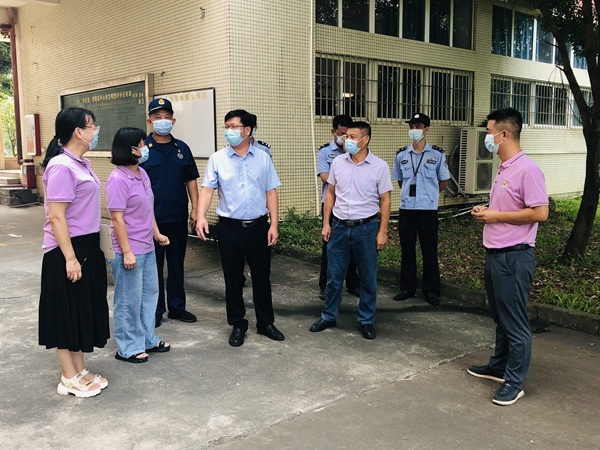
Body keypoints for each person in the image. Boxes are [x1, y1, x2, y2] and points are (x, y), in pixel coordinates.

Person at [468, 107, 548, 406]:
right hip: (496, 254)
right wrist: (487, 211)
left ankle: (514, 382)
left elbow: (540, 212)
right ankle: (498, 366)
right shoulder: (504, 168)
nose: (486, 138)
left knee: (514, 322)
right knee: (500, 317)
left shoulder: (528, 170)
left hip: (514, 258)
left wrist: (496, 216)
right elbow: (508, 208)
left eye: (489, 132)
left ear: (503, 134)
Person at [196, 109, 285, 347]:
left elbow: (271, 192)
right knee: (233, 278)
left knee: (262, 277)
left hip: (258, 227)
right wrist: (200, 216)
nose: (229, 131)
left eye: (234, 126)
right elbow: (207, 189)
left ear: (247, 130)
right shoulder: (217, 159)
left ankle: (265, 322)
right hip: (230, 228)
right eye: (227, 126)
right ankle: (238, 324)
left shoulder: (263, 158)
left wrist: (274, 225)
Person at [39, 107, 110, 398]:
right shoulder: (61, 167)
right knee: (64, 311)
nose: (96, 131)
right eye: (93, 126)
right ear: (78, 132)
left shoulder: (81, 164)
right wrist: (70, 258)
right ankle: (68, 376)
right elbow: (57, 217)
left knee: (81, 308)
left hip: (86, 245)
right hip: (66, 248)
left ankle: (79, 370)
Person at [310, 121, 392, 340]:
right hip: (338, 226)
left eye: (353, 137)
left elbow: (385, 200)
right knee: (334, 276)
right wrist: (326, 223)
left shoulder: (380, 166)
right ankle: (329, 315)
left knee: (367, 277)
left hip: (365, 228)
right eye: (346, 136)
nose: (347, 140)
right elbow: (330, 193)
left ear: (365, 140)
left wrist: (382, 232)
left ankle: (366, 319)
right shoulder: (338, 162)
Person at [106, 127, 172, 363]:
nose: (145, 148)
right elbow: (117, 218)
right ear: (129, 149)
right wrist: (126, 252)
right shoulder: (117, 179)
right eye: (141, 144)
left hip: (147, 246)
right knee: (128, 300)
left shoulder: (142, 173)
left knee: (149, 295)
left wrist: (157, 233)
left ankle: (146, 339)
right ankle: (127, 347)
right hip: (129, 249)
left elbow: (147, 208)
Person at [141, 98, 199, 327]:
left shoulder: (182, 148)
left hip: (177, 217)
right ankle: (155, 310)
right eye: (158, 117)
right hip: (151, 220)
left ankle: (177, 307)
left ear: (173, 121)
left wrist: (195, 209)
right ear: (150, 121)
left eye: (166, 117)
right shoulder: (142, 150)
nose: (162, 121)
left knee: (176, 264)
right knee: (153, 267)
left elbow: (191, 180)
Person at [392, 113, 450, 306]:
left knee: (429, 250)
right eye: (411, 126)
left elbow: (443, 181)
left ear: (427, 130)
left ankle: (431, 290)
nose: (414, 130)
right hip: (407, 208)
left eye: (418, 126)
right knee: (407, 249)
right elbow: (401, 181)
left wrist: (429, 194)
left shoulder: (437, 154)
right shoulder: (401, 155)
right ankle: (407, 287)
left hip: (427, 209)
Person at [316, 114, 360, 300]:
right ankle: (326, 286)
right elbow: (325, 176)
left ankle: (353, 284)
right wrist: (346, 180)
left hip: (352, 204)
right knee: (330, 246)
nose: (344, 137)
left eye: (348, 134)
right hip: (331, 204)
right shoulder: (325, 152)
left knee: (352, 245)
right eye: (341, 133)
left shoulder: (356, 150)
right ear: (333, 132)